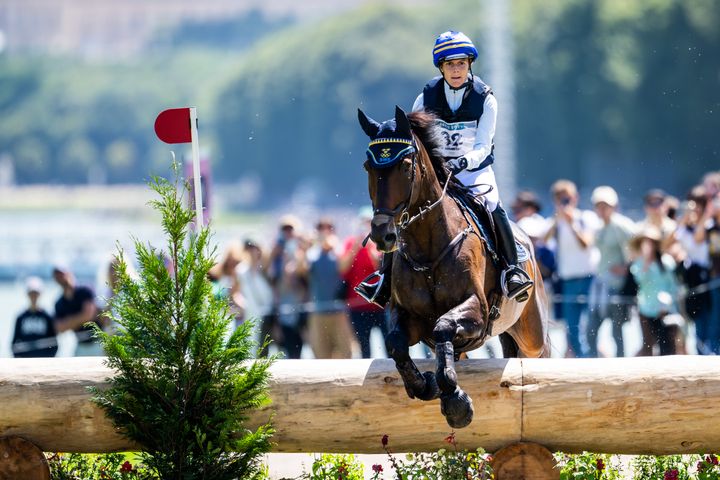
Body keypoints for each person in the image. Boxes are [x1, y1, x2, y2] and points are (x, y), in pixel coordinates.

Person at [356, 30, 533, 307]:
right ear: (441, 66)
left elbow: (484, 145)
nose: (456, 69)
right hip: (437, 172)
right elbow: (409, 140)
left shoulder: (485, 98)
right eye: (450, 64)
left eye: (461, 63)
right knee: (405, 211)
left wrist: (464, 162)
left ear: (469, 64)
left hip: (473, 170)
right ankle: (385, 277)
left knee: (492, 204)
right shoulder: (426, 97)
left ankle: (512, 270)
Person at [543, 180, 600, 358]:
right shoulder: (556, 222)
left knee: (588, 324)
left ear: (575, 198)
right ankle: (584, 360)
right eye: (560, 200)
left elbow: (586, 244)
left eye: (566, 199)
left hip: (587, 277)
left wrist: (571, 222)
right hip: (567, 279)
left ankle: (590, 358)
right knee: (572, 327)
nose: (564, 203)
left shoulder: (586, 218)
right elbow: (544, 241)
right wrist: (557, 220)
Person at [587, 186, 636, 357]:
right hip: (601, 284)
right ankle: (593, 364)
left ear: (613, 206)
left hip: (617, 286)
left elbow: (638, 248)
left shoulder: (622, 225)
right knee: (591, 329)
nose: (601, 209)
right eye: (598, 205)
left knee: (617, 331)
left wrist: (628, 268)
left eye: (605, 205)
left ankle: (621, 366)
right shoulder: (600, 228)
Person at [340, 207, 388, 358]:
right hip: (357, 306)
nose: (366, 226)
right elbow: (342, 269)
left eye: (369, 222)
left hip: (381, 304)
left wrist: (371, 249)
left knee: (389, 345)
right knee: (364, 348)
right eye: (364, 222)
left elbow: (381, 269)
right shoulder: (350, 243)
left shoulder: (382, 242)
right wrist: (356, 247)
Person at [303, 218, 354, 359]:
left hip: (339, 312)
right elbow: (303, 270)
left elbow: (344, 267)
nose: (325, 232)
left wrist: (334, 248)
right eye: (321, 229)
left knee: (345, 354)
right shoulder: (311, 252)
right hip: (318, 312)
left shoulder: (339, 249)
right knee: (321, 355)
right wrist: (305, 247)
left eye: (329, 228)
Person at [629, 226, 681, 356]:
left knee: (668, 348)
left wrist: (667, 302)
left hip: (665, 311)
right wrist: (646, 261)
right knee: (648, 346)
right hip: (646, 310)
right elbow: (639, 279)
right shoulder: (638, 264)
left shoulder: (667, 262)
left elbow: (673, 287)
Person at [675, 186, 712, 354]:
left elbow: (700, 236)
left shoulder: (710, 225)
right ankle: (702, 357)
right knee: (698, 321)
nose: (695, 208)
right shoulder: (686, 228)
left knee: (712, 323)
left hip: (710, 278)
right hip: (694, 280)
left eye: (699, 204)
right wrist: (685, 215)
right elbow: (677, 237)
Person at [267, 215, 309, 359]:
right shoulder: (276, 252)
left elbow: (305, 273)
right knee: (285, 349)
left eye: (291, 230)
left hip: (302, 308)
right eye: (285, 230)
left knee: (300, 348)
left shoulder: (303, 249)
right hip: (283, 309)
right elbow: (270, 276)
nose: (288, 234)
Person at [52, 264, 104, 356]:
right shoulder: (59, 303)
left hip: (99, 342)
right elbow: (59, 328)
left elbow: (89, 315)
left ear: (69, 273)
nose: (61, 278)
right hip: (80, 344)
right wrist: (80, 318)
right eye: (57, 276)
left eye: (62, 274)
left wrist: (69, 322)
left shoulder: (85, 290)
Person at [237, 239, 275, 357]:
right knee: (250, 347)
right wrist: (240, 303)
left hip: (267, 315)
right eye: (249, 249)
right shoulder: (241, 270)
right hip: (250, 314)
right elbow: (235, 291)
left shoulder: (266, 270)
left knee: (264, 348)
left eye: (254, 248)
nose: (252, 252)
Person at [12, 276, 58, 358]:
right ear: (27, 294)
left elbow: (54, 342)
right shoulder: (21, 317)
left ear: (40, 294)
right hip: (25, 361)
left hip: (43, 360)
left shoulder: (47, 316)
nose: (33, 296)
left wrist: (49, 359)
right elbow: (14, 343)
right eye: (31, 293)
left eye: (36, 293)